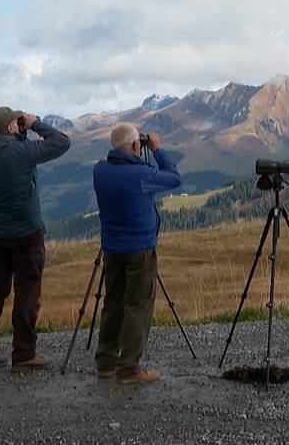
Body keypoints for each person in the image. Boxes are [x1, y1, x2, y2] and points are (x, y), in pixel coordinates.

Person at [0, 107, 71, 371]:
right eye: (16, 123)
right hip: (27, 234)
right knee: (27, 292)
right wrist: (36, 124)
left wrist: (21, 133)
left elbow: (13, 151)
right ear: (9, 129)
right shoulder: (19, 153)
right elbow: (62, 143)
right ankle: (24, 354)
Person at [92, 124, 181, 383]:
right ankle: (129, 368)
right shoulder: (142, 174)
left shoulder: (99, 171)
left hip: (112, 249)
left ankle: (105, 363)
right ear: (135, 147)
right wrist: (157, 149)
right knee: (138, 306)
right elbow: (174, 177)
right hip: (139, 249)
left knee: (113, 304)